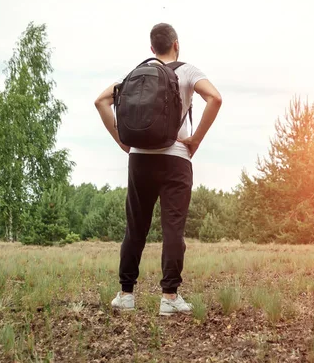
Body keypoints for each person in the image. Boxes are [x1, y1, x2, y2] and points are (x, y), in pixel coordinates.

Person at [94, 23, 222, 315]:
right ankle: (169, 298)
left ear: (152, 48)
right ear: (176, 44)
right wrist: (196, 140)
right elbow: (215, 98)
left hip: (139, 159)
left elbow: (100, 100)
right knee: (172, 229)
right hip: (176, 158)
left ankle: (126, 295)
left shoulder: (135, 75)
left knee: (135, 228)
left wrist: (121, 141)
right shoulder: (188, 71)